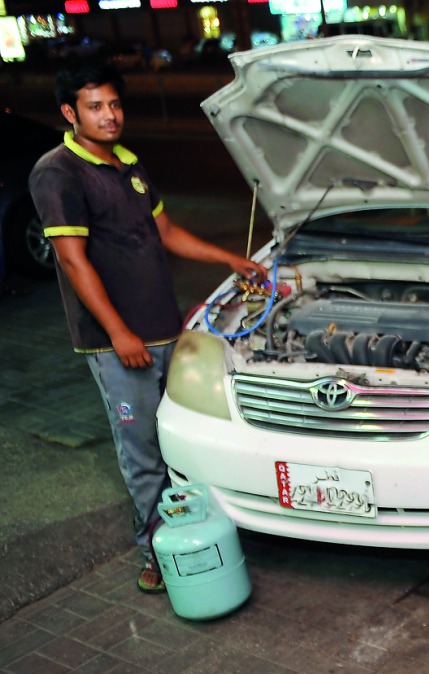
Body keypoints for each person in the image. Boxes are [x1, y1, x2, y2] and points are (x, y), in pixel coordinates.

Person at [29, 61, 265, 593]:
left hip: (164, 333)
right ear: (70, 113)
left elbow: (166, 232)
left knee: (181, 442)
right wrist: (117, 333)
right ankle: (158, 550)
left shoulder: (130, 164)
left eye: (114, 105)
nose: (109, 116)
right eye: (95, 107)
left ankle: (203, 532)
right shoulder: (58, 171)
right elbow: (73, 261)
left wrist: (233, 259)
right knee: (142, 453)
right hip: (120, 343)